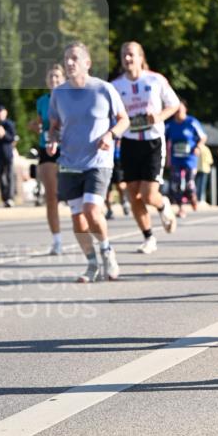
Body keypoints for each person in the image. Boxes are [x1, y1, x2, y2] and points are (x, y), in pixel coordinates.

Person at [47, 41, 129, 282]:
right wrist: (52, 141)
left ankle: (107, 252)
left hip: (99, 161)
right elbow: (53, 126)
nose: (69, 63)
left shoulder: (104, 89)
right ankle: (91, 263)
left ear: (87, 63)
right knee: (77, 218)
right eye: (66, 59)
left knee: (91, 210)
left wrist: (110, 135)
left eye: (74, 58)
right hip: (70, 162)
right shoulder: (58, 93)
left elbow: (124, 120)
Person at [112, 41, 179, 254]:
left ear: (141, 57)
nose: (128, 58)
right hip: (129, 142)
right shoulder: (115, 86)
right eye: (124, 55)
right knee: (133, 195)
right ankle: (149, 237)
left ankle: (162, 205)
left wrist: (158, 117)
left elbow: (174, 104)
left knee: (148, 194)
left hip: (152, 141)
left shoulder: (155, 79)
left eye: (131, 54)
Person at [29, 64, 66, 254]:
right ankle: (57, 240)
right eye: (51, 77)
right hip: (47, 150)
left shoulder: (71, 98)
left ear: (64, 79)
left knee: (77, 195)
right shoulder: (42, 101)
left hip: (69, 150)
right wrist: (34, 126)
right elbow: (39, 123)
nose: (54, 80)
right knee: (51, 196)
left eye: (57, 77)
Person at [165, 99, 207, 217]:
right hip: (175, 158)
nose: (178, 112)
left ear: (185, 109)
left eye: (180, 109)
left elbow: (203, 137)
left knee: (189, 183)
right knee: (176, 184)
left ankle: (192, 196)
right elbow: (164, 141)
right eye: (176, 110)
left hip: (190, 158)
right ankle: (181, 208)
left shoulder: (191, 122)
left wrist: (198, 147)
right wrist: (167, 158)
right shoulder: (170, 125)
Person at [0, 103, 17, 206]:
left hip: (8, 153)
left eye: (1, 112)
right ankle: (5, 198)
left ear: (5, 113)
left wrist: (4, 134)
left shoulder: (9, 124)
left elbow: (12, 138)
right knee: (1, 176)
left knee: (9, 175)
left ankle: (10, 198)